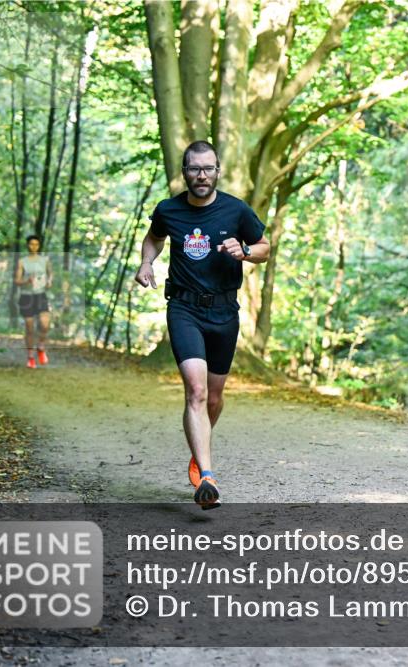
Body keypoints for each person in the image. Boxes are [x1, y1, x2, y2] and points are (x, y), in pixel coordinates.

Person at [135, 140, 270, 510]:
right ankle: (207, 477)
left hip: (225, 313)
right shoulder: (169, 210)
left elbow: (264, 247)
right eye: (194, 169)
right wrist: (147, 263)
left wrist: (243, 252)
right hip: (184, 309)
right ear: (184, 172)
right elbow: (154, 238)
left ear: (217, 170)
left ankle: (199, 454)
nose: (201, 175)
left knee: (213, 397)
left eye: (208, 168)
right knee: (194, 391)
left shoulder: (236, 210)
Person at [15, 234, 52, 369]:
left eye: (36, 244)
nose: (34, 247)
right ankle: (30, 357)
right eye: (31, 244)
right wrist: (26, 281)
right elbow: (17, 281)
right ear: (27, 245)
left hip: (41, 295)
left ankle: (41, 347)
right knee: (29, 328)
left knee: (45, 324)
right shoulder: (22, 261)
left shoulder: (45, 260)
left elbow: (50, 274)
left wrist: (49, 281)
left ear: (39, 245)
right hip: (26, 296)